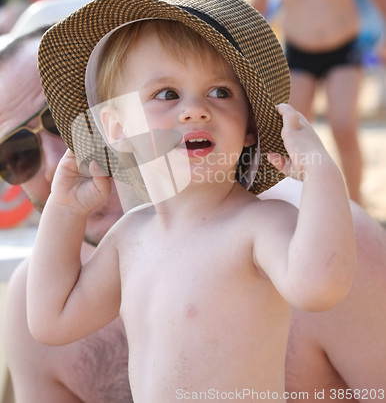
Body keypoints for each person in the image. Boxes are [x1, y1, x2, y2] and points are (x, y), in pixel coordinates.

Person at [1, 21, 385, 402]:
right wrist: (64, 211)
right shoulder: (130, 238)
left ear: (249, 125)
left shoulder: (262, 225)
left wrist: (320, 172)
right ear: (116, 127)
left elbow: (319, 287)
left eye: (220, 92)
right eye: (167, 93)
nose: (195, 110)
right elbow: (52, 321)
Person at [0, 29, 133, 402]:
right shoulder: (32, 301)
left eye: (64, 119)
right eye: (17, 155)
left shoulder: (285, 241)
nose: (57, 164)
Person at [251, 0, 386, 205]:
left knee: (343, 125)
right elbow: (257, 8)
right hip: (299, 52)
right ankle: (301, 200)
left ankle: (355, 202)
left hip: (344, 49)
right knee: (293, 131)